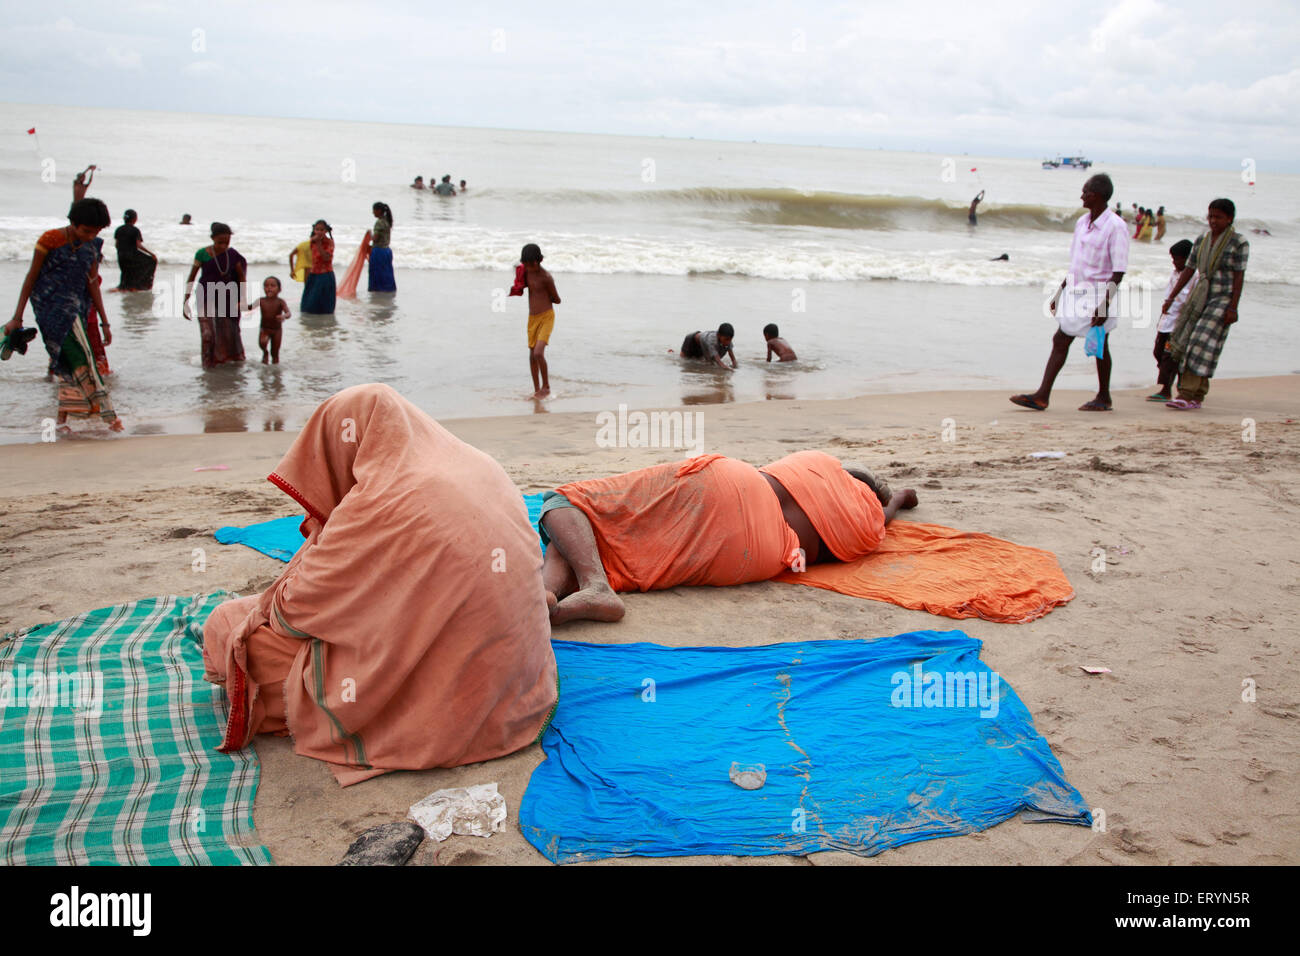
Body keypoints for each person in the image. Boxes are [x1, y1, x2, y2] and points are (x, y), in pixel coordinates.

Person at [200, 383, 558, 785]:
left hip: (453, 690)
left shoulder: (377, 501)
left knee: (226, 625)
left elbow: (292, 615)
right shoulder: (476, 463)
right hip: (520, 680)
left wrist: (308, 556)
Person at [539, 450, 919, 624]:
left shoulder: (821, 464)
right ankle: (548, 600)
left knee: (570, 501)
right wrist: (898, 498)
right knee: (609, 550)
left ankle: (587, 586)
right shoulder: (869, 522)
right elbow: (896, 503)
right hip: (758, 558)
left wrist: (891, 490)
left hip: (735, 489)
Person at [1011, 173, 1127, 412]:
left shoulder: (1116, 227)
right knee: (1097, 345)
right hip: (1076, 292)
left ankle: (1044, 396)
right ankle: (1102, 397)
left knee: (1066, 340)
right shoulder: (1082, 223)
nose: (1082, 195)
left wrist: (1105, 305)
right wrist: (1059, 293)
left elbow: (1119, 272)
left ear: (1096, 195)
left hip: (1097, 294)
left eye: (1085, 192)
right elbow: (1076, 263)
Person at [4, 197, 122, 432]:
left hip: (77, 309)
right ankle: (106, 415)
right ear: (73, 223)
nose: (90, 236)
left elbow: (92, 285)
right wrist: (17, 317)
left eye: (95, 232)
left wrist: (104, 322)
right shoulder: (50, 240)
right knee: (77, 360)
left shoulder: (90, 246)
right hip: (48, 309)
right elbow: (31, 277)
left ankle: (63, 421)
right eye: (87, 231)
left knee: (68, 363)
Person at [1160, 199, 1249, 410]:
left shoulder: (1239, 242)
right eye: (1210, 216)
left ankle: (1186, 392)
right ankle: (1198, 395)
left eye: (1218, 217)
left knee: (1200, 343)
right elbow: (1189, 269)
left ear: (1229, 218)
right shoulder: (1202, 240)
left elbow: (1239, 276)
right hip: (1200, 297)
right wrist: (1171, 297)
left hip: (1222, 299)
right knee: (1191, 341)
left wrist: (1233, 307)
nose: (1213, 221)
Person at [183, 222, 248, 368]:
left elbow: (241, 277)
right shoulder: (202, 254)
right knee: (207, 334)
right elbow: (192, 277)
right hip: (205, 296)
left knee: (229, 333)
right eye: (220, 242)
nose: (224, 246)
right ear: (213, 239)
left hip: (227, 298)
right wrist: (185, 301)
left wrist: (242, 299)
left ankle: (226, 362)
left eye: (227, 242)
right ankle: (207, 365)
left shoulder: (233, 255)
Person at [1147, 239, 1193, 402]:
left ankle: (1166, 389)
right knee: (1158, 352)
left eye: (1178, 259)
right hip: (1166, 322)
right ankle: (1175, 381)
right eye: (1173, 259)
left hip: (1179, 324)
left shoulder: (1193, 276)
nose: (1174, 262)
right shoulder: (1175, 274)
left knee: (1170, 355)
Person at [512, 243, 559, 398]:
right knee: (532, 355)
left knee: (539, 352)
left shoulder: (546, 278)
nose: (525, 266)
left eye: (527, 264)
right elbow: (520, 280)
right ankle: (537, 389)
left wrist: (546, 296)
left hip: (546, 317)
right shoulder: (525, 272)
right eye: (523, 264)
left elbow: (557, 299)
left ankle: (546, 387)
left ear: (537, 262)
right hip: (532, 318)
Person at [246, 276, 290, 364]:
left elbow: (288, 313)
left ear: (279, 289)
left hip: (277, 330)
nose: (269, 288)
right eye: (266, 286)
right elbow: (249, 307)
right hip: (264, 329)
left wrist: (283, 316)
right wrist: (239, 306)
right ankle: (265, 352)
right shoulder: (261, 300)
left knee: (275, 353)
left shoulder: (280, 301)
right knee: (262, 342)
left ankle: (276, 374)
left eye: (272, 286)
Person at [112, 209, 158, 291]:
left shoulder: (119, 229)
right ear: (135, 219)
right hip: (132, 255)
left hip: (121, 256)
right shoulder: (135, 230)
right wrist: (151, 254)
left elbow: (116, 245)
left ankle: (124, 287)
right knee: (152, 261)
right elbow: (138, 245)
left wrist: (122, 252)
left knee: (125, 272)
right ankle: (142, 286)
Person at [300, 219, 335, 314]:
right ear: (314, 230)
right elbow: (306, 258)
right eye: (317, 229)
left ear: (326, 231)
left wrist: (319, 243)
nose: (319, 232)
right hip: (313, 275)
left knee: (324, 307)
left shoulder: (330, 242)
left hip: (325, 276)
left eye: (322, 230)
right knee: (308, 307)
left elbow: (326, 258)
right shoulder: (311, 242)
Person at [365, 202, 395, 292]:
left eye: (374, 210)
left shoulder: (379, 222)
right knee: (386, 273)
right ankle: (387, 290)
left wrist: (369, 235)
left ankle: (377, 291)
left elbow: (375, 239)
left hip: (378, 252)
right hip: (387, 251)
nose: (373, 212)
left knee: (376, 274)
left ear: (379, 211)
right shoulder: (387, 221)